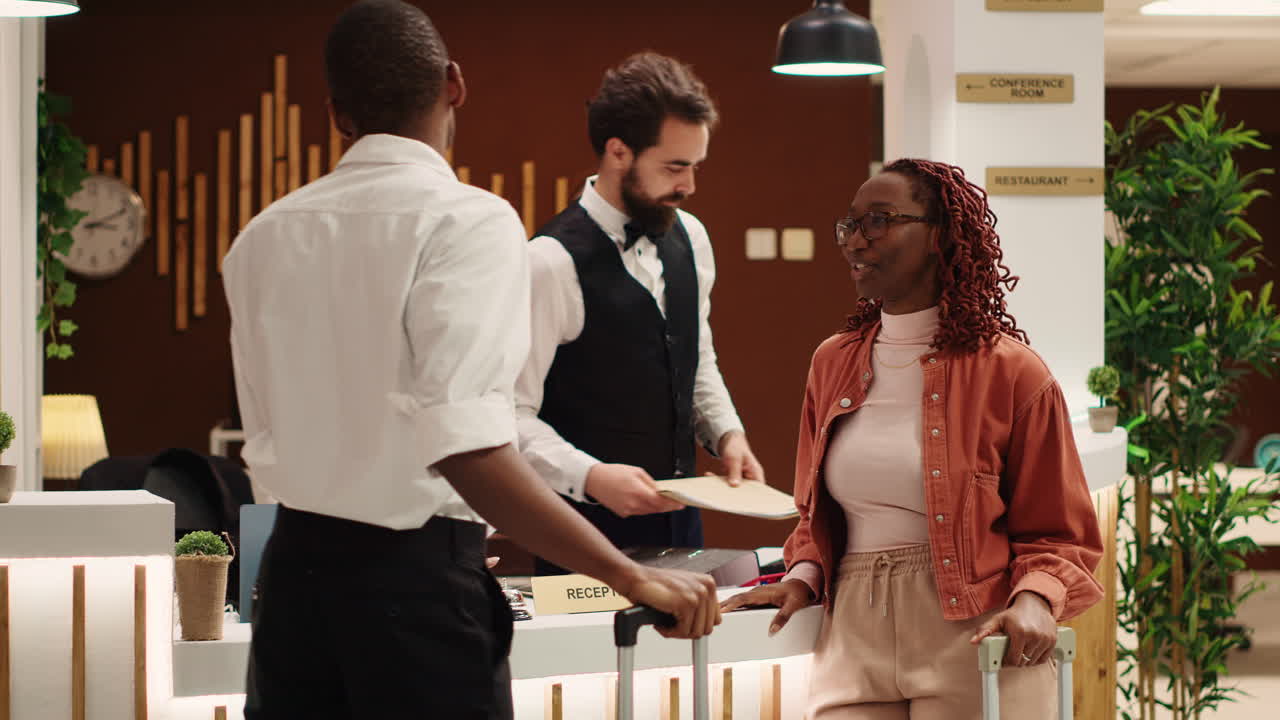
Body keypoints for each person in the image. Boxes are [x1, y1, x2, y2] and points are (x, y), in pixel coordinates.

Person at [223, 4, 720, 719]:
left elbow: (264, 434)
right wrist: (628, 576)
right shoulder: (470, 221)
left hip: (290, 595)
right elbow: (469, 448)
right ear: (453, 84)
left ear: (336, 115)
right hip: (416, 596)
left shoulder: (260, 238)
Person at [721, 159, 1103, 719]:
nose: (855, 240)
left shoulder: (1011, 371)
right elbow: (815, 515)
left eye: (879, 221)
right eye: (850, 224)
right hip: (853, 631)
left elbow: (1058, 530)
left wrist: (1036, 599)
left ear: (939, 236)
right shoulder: (832, 363)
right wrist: (802, 577)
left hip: (974, 630)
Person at [516, 52, 764, 572]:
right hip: (580, 532)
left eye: (695, 166)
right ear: (618, 152)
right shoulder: (549, 262)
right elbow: (511, 414)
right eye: (674, 167)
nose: (690, 186)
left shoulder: (692, 237)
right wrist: (590, 477)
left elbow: (696, 357)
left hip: (682, 522)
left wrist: (727, 433)